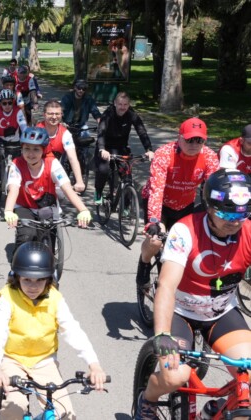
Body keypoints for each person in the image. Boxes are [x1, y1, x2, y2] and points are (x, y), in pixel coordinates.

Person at [133, 169, 251, 420]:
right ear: (208, 207)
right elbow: (166, 285)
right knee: (174, 376)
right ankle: (148, 399)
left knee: (248, 380)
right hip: (180, 312)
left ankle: (216, 410)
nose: (234, 221)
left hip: (221, 313)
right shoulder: (184, 230)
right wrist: (162, 335)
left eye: (242, 213)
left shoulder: (248, 232)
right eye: (226, 212)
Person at [0, 241, 107, 419]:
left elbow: (73, 331)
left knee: (66, 414)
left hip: (44, 361)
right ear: (17, 277)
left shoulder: (55, 299)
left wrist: (94, 365)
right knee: (15, 408)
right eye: (27, 279)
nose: (33, 286)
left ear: (49, 279)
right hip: (13, 360)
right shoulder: (8, 298)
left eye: (40, 280)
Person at [136, 117, 219, 290]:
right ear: (179, 137)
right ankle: (144, 264)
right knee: (156, 241)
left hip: (184, 205)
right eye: (189, 139)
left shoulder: (210, 157)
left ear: (205, 140)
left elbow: (213, 191)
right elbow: (156, 190)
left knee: (184, 246)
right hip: (160, 204)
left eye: (199, 140)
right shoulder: (164, 154)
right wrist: (154, 220)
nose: (194, 144)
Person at [3, 127, 91, 251]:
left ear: (43, 150)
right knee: (26, 236)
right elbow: (13, 189)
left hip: (47, 207)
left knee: (47, 246)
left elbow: (67, 188)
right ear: (21, 149)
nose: (31, 154)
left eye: (36, 149)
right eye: (26, 148)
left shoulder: (53, 164)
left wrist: (83, 210)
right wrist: (8, 211)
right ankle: (16, 268)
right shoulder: (17, 163)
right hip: (24, 206)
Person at [94, 92, 154, 204]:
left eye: (125, 104)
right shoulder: (108, 114)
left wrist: (148, 149)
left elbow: (141, 131)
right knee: (104, 170)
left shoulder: (131, 114)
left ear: (129, 104)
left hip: (121, 147)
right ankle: (98, 192)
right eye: (120, 104)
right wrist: (102, 148)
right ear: (115, 103)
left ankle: (127, 205)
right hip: (105, 147)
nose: (123, 107)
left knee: (127, 176)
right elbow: (101, 131)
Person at [38, 100, 85, 193]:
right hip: (36, 171)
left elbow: (72, 158)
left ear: (62, 115)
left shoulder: (65, 134)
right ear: (44, 114)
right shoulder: (36, 131)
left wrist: (79, 181)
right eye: (50, 114)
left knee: (62, 195)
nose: (54, 117)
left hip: (54, 171)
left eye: (57, 114)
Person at [0, 89, 28, 175]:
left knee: (18, 162)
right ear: (0, 103)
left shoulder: (18, 111)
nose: (7, 106)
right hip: (0, 139)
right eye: (4, 103)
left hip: (14, 140)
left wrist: (26, 140)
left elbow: (24, 127)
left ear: (13, 102)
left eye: (10, 103)